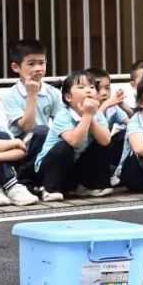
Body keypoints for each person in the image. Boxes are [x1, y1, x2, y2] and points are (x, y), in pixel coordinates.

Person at [35, 71, 114, 202]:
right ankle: (49, 189)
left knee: (103, 143)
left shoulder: (98, 115)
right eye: (81, 87)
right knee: (63, 146)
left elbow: (105, 141)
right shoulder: (63, 115)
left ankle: (89, 185)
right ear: (68, 97)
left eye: (92, 87)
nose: (88, 91)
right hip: (48, 170)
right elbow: (74, 141)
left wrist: (91, 116)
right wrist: (87, 115)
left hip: (73, 168)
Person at [0, 39, 62, 181]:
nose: (38, 68)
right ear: (16, 67)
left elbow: (60, 121)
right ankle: (25, 180)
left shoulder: (53, 92)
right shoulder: (10, 95)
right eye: (31, 64)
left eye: (41, 62)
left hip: (44, 140)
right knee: (41, 131)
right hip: (20, 144)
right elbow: (26, 126)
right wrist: (31, 95)